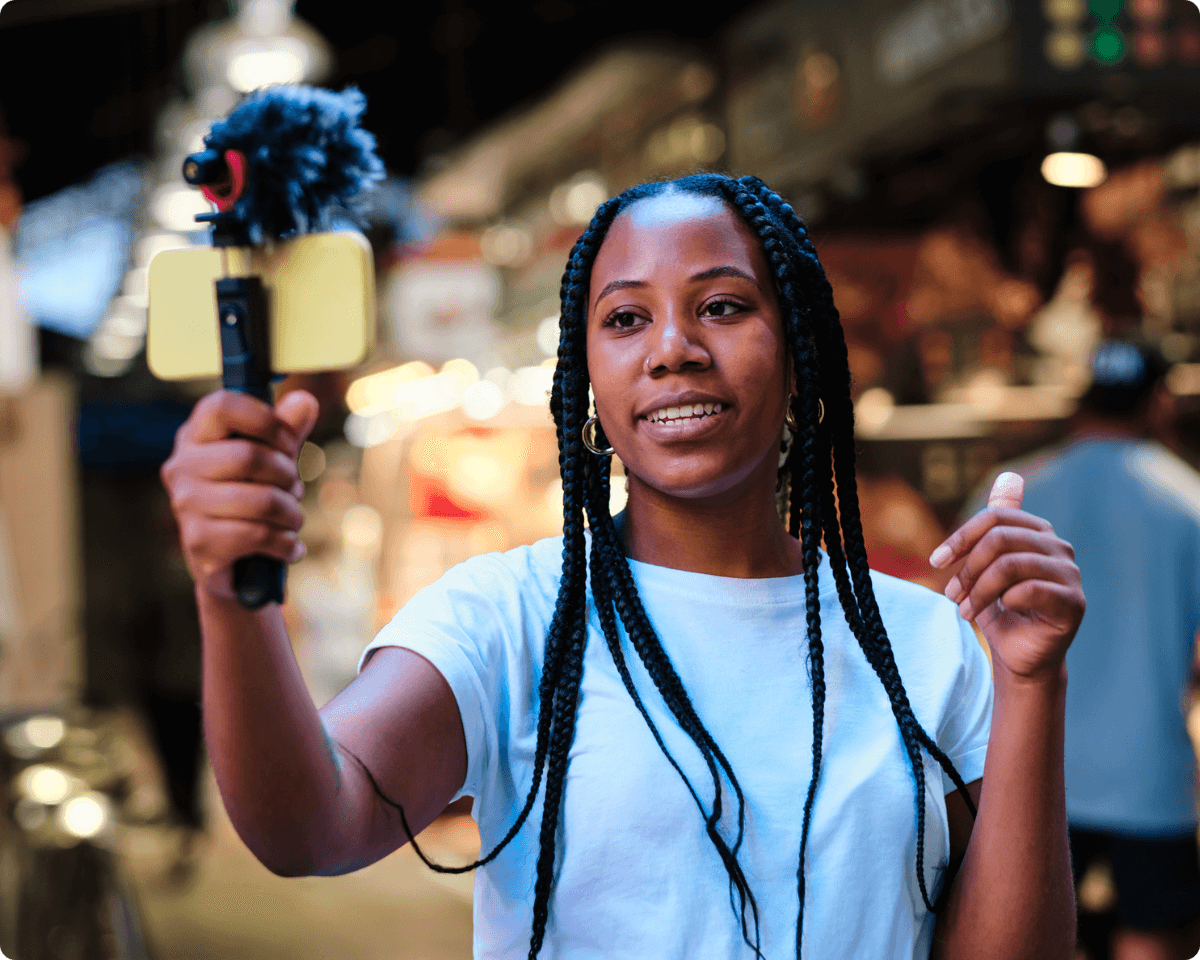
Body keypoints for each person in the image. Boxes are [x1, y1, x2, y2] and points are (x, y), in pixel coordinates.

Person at [160, 173, 1085, 959]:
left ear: (799, 357)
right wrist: (228, 593)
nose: (673, 349)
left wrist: (1031, 681)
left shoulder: (924, 645)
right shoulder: (510, 621)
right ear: (590, 382)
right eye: (627, 318)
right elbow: (308, 824)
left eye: (722, 306)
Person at [964, 338, 1200, 960]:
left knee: (1038, 940)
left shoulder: (1005, 501)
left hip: (1029, 773)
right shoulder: (1189, 504)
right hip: (1150, 777)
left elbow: (958, 638)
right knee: (1147, 939)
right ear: (1159, 403)